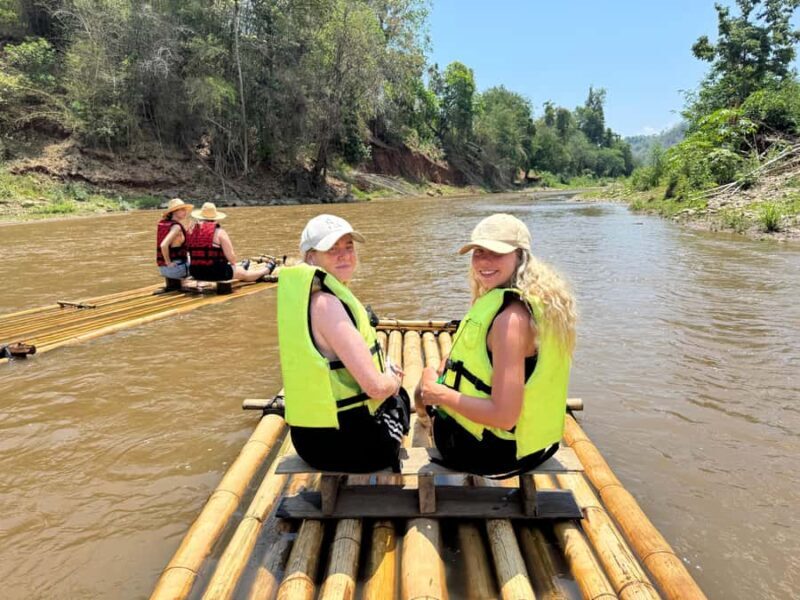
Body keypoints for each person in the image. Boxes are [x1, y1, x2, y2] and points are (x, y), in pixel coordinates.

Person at [416, 213, 577, 477]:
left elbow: (504, 416)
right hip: (529, 444)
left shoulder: (510, 321)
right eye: (479, 252)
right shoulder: (531, 302)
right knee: (433, 374)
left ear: (520, 257)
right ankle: (428, 412)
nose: (484, 261)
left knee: (421, 387)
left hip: (494, 453)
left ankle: (425, 421)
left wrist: (437, 394)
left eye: (496, 253)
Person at [277, 214, 410, 472]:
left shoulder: (307, 298)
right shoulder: (327, 304)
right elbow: (375, 388)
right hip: (347, 446)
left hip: (309, 440)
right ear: (311, 257)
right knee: (400, 398)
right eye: (332, 249)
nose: (344, 255)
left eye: (348, 246)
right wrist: (393, 380)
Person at [185, 202, 273, 282]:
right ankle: (265, 270)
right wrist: (234, 267)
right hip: (214, 273)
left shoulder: (191, 231)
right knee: (243, 273)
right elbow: (232, 259)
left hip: (195, 272)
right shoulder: (219, 232)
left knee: (233, 268)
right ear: (215, 218)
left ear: (200, 217)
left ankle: (240, 267)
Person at [157, 198, 193, 280]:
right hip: (175, 269)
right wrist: (168, 262)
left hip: (163, 269)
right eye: (183, 210)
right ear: (175, 211)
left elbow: (177, 242)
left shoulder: (165, 223)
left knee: (189, 256)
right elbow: (163, 245)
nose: (185, 212)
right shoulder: (176, 227)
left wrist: (187, 232)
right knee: (200, 261)